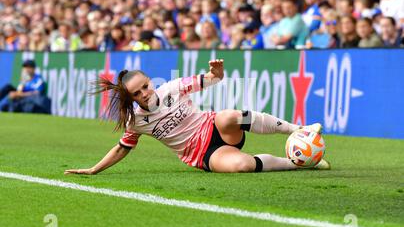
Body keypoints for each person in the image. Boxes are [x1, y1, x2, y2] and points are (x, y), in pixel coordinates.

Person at [64, 60, 330, 175]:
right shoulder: (136, 122)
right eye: (138, 92)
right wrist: (94, 169)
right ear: (130, 98)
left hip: (217, 128)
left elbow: (212, 79)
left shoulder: (172, 87)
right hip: (203, 154)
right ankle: (300, 163)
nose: (146, 93)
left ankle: (301, 129)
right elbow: (122, 149)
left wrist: (217, 71)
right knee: (242, 167)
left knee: (228, 116)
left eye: (146, 85)